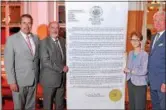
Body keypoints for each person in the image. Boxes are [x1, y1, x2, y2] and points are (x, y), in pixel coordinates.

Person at [4, 14, 40, 110]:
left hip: (33, 80)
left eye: (29, 23)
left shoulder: (36, 38)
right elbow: (8, 62)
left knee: (31, 107)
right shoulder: (12, 40)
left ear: (32, 25)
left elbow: (37, 59)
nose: (27, 26)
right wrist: (12, 82)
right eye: (24, 23)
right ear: (20, 24)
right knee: (19, 107)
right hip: (19, 82)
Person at [39, 21, 68, 110]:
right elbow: (45, 61)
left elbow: (65, 57)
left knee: (60, 105)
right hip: (49, 80)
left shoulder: (63, 41)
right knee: (48, 105)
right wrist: (61, 68)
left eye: (57, 28)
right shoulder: (44, 42)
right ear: (48, 29)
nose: (55, 30)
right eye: (52, 27)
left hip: (62, 79)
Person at [124, 31, 148, 110]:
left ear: (140, 41)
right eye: (132, 40)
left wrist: (130, 71)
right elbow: (127, 67)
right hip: (130, 82)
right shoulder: (130, 53)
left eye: (136, 40)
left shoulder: (144, 54)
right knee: (132, 106)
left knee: (139, 107)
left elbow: (143, 71)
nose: (134, 42)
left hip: (140, 84)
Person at [148, 11, 166, 110]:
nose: (157, 23)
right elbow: (151, 58)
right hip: (153, 82)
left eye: (160, 20)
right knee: (156, 107)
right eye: (155, 20)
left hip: (163, 83)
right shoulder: (154, 37)